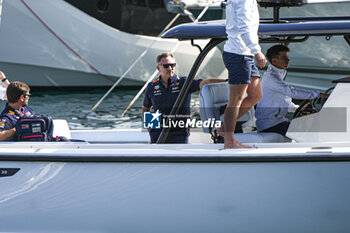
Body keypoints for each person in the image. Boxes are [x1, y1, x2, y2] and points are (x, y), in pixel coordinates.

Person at [142, 52, 226, 143]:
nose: (170, 68)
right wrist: (151, 129)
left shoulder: (184, 83)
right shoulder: (151, 86)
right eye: (166, 66)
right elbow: (146, 108)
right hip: (157, 134)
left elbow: (205, 82)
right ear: (158, 68)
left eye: (172, 65)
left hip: (180, 134)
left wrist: (228, 81)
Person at [222, 0, 266, 149]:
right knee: (236, 100)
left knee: (256, 95)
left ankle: (224, 128)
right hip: (239, 54)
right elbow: (244, 26)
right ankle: (229, 141)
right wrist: (257, 51)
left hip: (244, 53)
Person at [255, 45, 320, 136]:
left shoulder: (279, 75)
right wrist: (318, 95)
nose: (288, 60)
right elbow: (291, 92)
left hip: (278, 122)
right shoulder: (271, 78)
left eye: (287, 57)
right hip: (270, 126)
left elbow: (283, 101)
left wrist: (297, 109)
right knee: (312, 133)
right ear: (274, 61)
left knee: (312, 129)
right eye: (284, 57)